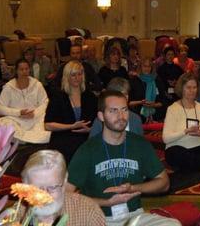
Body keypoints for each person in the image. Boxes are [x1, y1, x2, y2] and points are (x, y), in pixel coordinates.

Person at [67, 90, 178, 226]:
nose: (121, 116)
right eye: (113, 111)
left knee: (172, 224)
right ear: (101, 116)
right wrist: (107, 202)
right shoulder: (87, 150)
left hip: (134, 216)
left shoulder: (139, 144)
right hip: (98, 218)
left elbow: (164, 183)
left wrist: (132, 188)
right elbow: (66, 196)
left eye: (124, 110)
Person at [21, 149, 106, 226]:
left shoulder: (89, 211)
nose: (45, 195)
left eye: (52, 187)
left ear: (64, 181)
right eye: (37, 189)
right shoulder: (16, 215)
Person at [45, 60, 97, 162]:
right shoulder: (57, 97)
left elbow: (98, 121)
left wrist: (91, 130)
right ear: (67, 77)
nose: (77, 78)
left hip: (85, 139)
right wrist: (71, 126)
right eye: (73, 75)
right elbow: (47, 125)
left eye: (80, 74)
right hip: (63, 139)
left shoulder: (90, 96)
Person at [0, 58, 50, 144]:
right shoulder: (9, 87)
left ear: (29, 70)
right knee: (2, 123)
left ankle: (23, 140)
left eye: (26, 69)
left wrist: (34, 113)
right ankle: (27, 140)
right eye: (21, 69)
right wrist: (19, 112)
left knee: (47, 124)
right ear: (16, 71)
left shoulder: (37, 84)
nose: (24, 71)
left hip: (35, 118)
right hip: (17, 119)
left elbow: (45, 102)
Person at [128, 58, 164, 122]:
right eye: (144, 66)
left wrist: (154, 105)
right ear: (140, 67)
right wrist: (141, 102)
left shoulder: (157, 80)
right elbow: (129, 103)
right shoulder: (134, 81)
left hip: (156, 116)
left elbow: (163, 102)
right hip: (138, 117)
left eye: (149, 66)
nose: (147, 68)